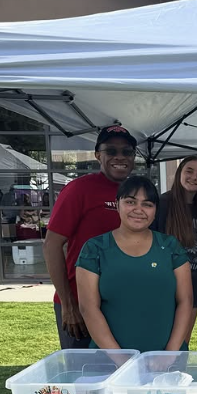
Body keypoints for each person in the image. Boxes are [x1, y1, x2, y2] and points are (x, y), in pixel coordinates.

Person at [43, 125, 137, 349]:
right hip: (79, 304)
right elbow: (51, 245)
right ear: (98, 155)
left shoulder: (137, 194)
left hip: (120, 306)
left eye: (126, 152)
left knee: (122, 374)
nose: (119, 157)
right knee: (83, 377)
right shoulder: (79, 190)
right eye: (111, 151)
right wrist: (68, 304)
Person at [75, 176, 192, 351]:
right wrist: (120, 359)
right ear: (117, 204)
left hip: (167, 362)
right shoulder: (94, 249)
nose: (139, 210)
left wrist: (170, 354)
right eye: (130, 202)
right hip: (110, 363)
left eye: (147, 204)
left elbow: (186, 301)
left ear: (155, 210)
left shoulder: (170, 247)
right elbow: (88, 308)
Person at [152, 156, 197, 346]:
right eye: (189, 171)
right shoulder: (163, 203)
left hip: (192, 284)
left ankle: (179, 376)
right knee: (162, 342)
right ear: (180, 173)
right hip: (165, 284)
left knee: (182, 345)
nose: (194, 177)